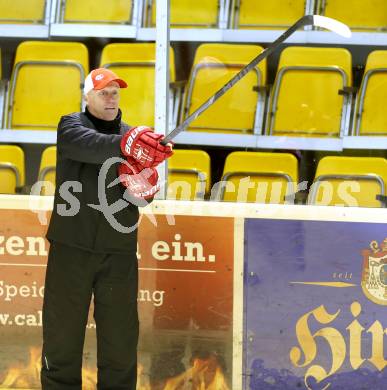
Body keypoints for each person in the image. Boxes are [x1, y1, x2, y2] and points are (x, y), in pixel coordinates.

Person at [41, 67, 173, 389]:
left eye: (115, 91)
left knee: (120, 342)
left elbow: (137, 201)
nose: (111, 97)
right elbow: (91, 145)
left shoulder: (137, 140)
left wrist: (144, 187)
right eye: (103, 92)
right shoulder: (72, 126)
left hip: (118, 253)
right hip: (71, 249)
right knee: (62, 338)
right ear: (87, 97)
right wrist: (129, 146)